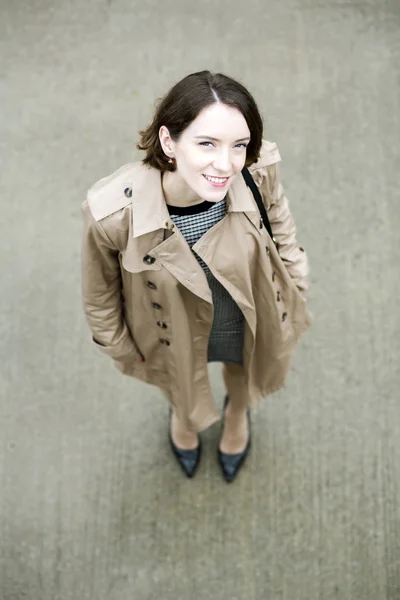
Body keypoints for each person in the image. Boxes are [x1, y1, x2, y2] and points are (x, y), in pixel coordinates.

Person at [81, 70, 311, 483]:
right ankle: (184, 421)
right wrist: (119, 346)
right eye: (206, 144)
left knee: (245, 370)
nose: (225, 165)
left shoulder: (256, 171)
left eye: (238, 145)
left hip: (245, 310)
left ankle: (236, 415)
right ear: (169, 142)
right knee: (181, 379)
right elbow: (99, 293)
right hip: (170, 322)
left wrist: (295, 280)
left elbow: (280, 221)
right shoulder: (113, 216)